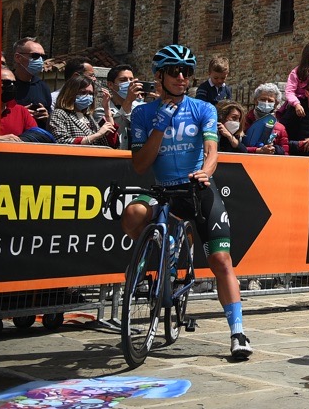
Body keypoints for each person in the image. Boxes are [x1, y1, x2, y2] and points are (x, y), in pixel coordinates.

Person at [124, 45, 252, 360]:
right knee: (132, 214)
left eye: (187, 71)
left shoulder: (202, 108)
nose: (182, 77)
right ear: (159, 76)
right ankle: (157, 250)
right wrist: (159, 126)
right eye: (174, 71)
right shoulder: (142, 113)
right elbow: (140, 165)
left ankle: (237, 333)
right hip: (164, 190)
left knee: (221, 261)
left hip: (198, 188)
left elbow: (212, 151)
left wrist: (205, 172)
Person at [49, 74, 119, 147]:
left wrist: (107, 109)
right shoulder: (60, 114)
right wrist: (97, 135)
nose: (87, 96)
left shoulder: (88, 117)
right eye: (83, 92)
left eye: (90, 93)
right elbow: (62, 142)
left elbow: (110, 143)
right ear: (71, 93)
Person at [9, 37, 53, 130]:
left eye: (43, 57)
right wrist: (19, 113)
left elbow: (50, 117)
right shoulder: (5, 84)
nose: (40, 60)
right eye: (35, 56)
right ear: (18, 57)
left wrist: (47, 117)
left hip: (38, 135)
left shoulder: (43, 86)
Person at [97, 65, 140, 149]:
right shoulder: (102, 111)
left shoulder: (140, 108)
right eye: (123, 80)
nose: (129, 83)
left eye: (131, 79)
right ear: (110, 84)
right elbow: (115, 132)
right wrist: (128, 101)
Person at [240, 84, 288, 155]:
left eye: (270, 101)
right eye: (262, 99)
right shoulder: (243, 122)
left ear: (276, 103)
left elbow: (285, 154)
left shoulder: (280, 129)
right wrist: (257, 150)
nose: (266, 103)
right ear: (255, 101)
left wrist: (274, 150)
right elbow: (236, 147)